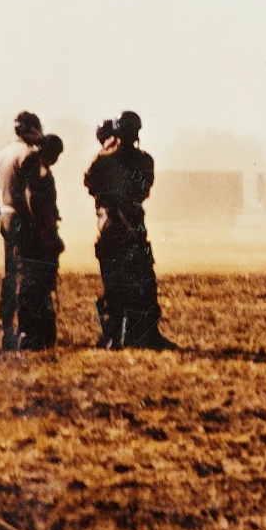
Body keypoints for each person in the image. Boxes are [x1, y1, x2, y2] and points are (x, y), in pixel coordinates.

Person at [84, 111, 176, 350]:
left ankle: (113, 336)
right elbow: (143, 191)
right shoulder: (145, 160)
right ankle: (144, 335)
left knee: (114, 283)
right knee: (143, 282)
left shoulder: (102, 160)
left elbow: (91, 184)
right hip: (133, 224)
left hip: (109, 227)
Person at [0, 111, 44, 350]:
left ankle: (8, 330)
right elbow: (33, 196)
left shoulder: (2, 154)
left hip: (6, 219)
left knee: (10, 276)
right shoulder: (29, 155)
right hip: (24, 220)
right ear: (33, 130)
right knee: (28, 277)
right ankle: (27, 332)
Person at [15, 134, 66, 350]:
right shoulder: (39, 168)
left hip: (29, 235)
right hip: (38, 237)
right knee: (39, 284)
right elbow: (35, 199)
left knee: (32, 284)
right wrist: (49, 234)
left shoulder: (33, 164)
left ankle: (32, 333)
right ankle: (35, 335)